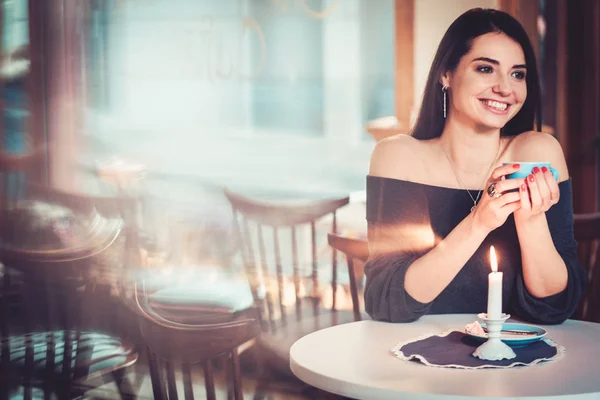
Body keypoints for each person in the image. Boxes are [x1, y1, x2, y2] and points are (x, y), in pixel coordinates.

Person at [364, 8, 586, 324]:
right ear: (446, 74)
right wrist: (479, 222)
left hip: (520, 360)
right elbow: (388, 303)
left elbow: (557, 307)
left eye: (517, 74)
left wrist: (531, 220)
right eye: (485, 69)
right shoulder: (400, 157)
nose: (505, 89)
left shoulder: (537, 152)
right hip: (418, 355)